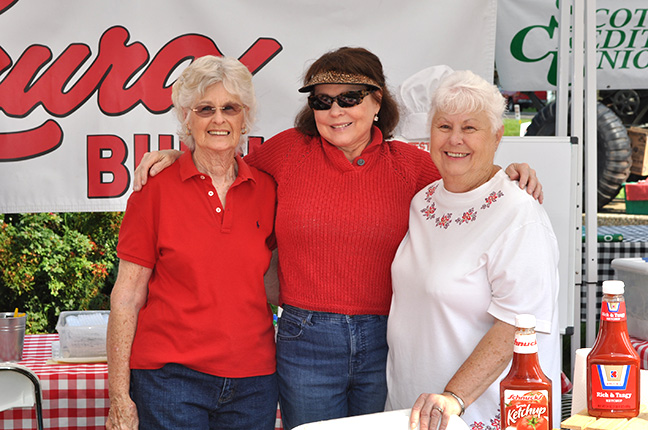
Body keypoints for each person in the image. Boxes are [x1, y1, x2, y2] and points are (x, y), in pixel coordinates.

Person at [132, 47, 542, 430]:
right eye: (322, 100)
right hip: (304, 339)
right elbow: (222, 163)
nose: (336, 110)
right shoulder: (289, 152)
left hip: (387, 340)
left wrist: (507, 172)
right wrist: (172, 157)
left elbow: (465, 173)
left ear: (377, 102)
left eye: (350, 98)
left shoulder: (412, 167)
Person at [106, 55, 278, 430]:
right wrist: (119, 396)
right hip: (170, 381)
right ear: (186, 117)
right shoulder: (153, 191)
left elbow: (273, 284)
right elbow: (126, 296)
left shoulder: (267, 188)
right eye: (205, 109)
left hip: (254, 382)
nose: (219, 119)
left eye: (229, 108)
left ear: (245, 117)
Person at [386, 70, 560, 430]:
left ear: (497, 136)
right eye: (444, 126)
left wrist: (454, 398)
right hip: (412, 407)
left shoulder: (518, 211)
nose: (455, 139)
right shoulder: (424, 201)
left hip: (472, 411)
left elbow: (517, 325)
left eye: (470, 128)